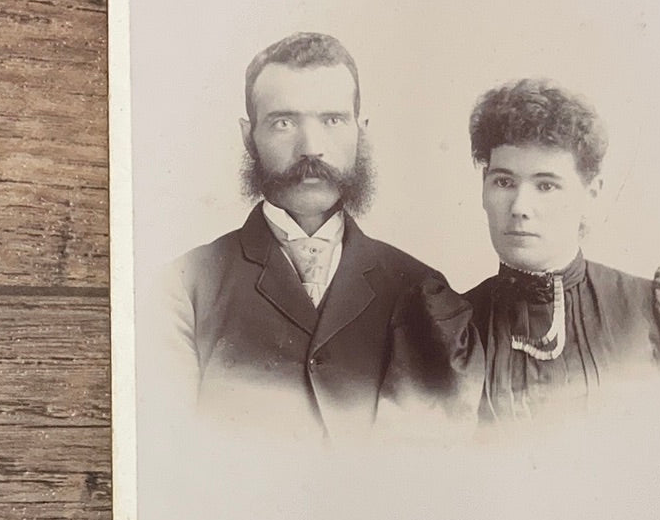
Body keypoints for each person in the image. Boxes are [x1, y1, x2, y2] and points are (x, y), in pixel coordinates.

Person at [163, 32, 477, 440]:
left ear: (359, 132)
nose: (311, 148)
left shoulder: (421, 291)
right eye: (284, 122)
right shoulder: (184, 289)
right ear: (248, 136)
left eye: (332, 120)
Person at [464, 78, 660, 424]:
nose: (520, 206)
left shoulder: (652, 310)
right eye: (504, 182)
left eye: (546, 185)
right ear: (483, 188)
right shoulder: (455, 327)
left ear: (591, 194)